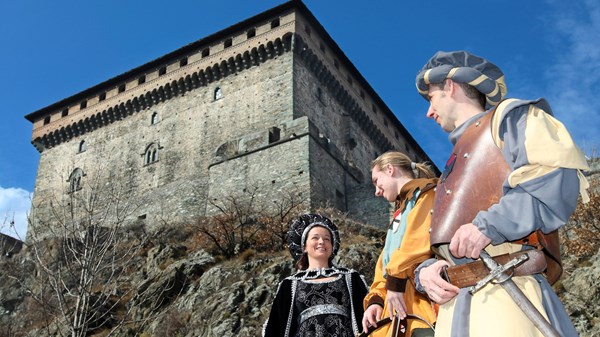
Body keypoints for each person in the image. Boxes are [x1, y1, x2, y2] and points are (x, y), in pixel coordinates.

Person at [413, 50, 590, 337]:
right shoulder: (449, 171)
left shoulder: (510, 119)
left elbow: (555, 178)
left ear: (450, 86)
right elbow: (443, 241)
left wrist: (489, 226)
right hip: (453, 308)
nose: (428, 112)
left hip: (506, 290)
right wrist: (428, 270)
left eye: (431, 98)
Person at [362, 151, 438, 337]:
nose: (377, 191)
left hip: (419, 303)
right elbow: (384, 265)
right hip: (394, 305)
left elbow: (417, 243)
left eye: (376, 181)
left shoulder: (427, 194)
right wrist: (376, 301)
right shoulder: (400, 212)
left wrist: (395, 283)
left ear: (390, 169)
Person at [262, 213, 369, 337]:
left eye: (327, 239)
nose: (321, 242)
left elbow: (369, 313)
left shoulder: (351, 278)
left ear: (332, 246)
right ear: (304, 246)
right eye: (315, 238)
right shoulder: (290, 284)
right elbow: (276, 326)